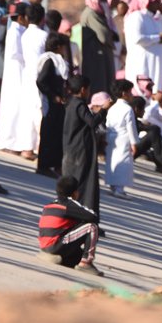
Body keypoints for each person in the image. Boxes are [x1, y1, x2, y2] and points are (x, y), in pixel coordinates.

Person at [38, 174, 102, 275]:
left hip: (45, 246)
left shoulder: (50, 205)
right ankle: (86, 263)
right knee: (92, 227)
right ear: (75, 193)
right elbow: (93, 216)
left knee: (78, 257)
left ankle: (58, 258)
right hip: (56, 245)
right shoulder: (69, 204)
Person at [62, 75, 101, 220]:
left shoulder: (70, 103)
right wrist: (102, 111)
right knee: (84, 185)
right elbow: (92, 122)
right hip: (80, 150)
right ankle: (84, 218)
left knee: (73, 184)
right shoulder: (79, 104)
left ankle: (74, 216)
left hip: (70, 149)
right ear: (83, 89)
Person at [35, 34, 72, 177]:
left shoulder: (60, 62)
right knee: (48, 134)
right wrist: (53, 96)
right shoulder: (50, 61)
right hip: (51, 104)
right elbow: (41, 81)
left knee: (58, 135)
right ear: (58, 47)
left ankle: (56, 165)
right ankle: (43, 165)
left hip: (59, 105)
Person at [17, 3, 49, 158]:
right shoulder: (44, 36)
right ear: (43, 19)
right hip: (40, 75)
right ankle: (41, 146)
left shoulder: (24, 35)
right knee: (39, 110)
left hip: (27, 74)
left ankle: (27, 147)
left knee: (27, 111)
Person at [0, 1, 30, 155]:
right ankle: (7, 141)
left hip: (19, 73)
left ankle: (14, 141)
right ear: (21, 17)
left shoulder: (21, 30)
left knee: (18, 108)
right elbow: (16, 53)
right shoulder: (15, 31)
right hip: (15, 74)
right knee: (12, 108)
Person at [77, 0, 118, 100]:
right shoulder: (91, 13)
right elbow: (104, 36)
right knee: (99, 89)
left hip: (101, 58)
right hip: (96, 59)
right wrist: (111, 35)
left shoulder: (98, 14)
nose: (105, 1)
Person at [124, 0, 162, 95]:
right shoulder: (136, 17)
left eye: (158, 1)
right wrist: (158, 38)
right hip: (141, 66)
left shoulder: (155, 20)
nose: (157, 4)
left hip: (155, 68)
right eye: (154, 1)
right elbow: (137, 38)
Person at [104, 79, 138, 198]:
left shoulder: (112, 108)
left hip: (111, 136)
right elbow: (131, 127)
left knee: (112, 161)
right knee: (123, 162)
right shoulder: (128, 109)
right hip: (123, 138)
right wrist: (134, 142)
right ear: (124, 93)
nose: (132, 95)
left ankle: (113, 185)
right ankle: (119, 188)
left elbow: (108, 123)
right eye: (130, 92)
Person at [129, 95, 162, 175]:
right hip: (129, 151)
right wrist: (150, 126)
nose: (144, 111)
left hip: (132, 150)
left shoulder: (134, 119)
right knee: (153, 133)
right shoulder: (130, 119)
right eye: (143, 109)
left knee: (154, 148)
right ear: (136, 109)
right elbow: (152, 128)